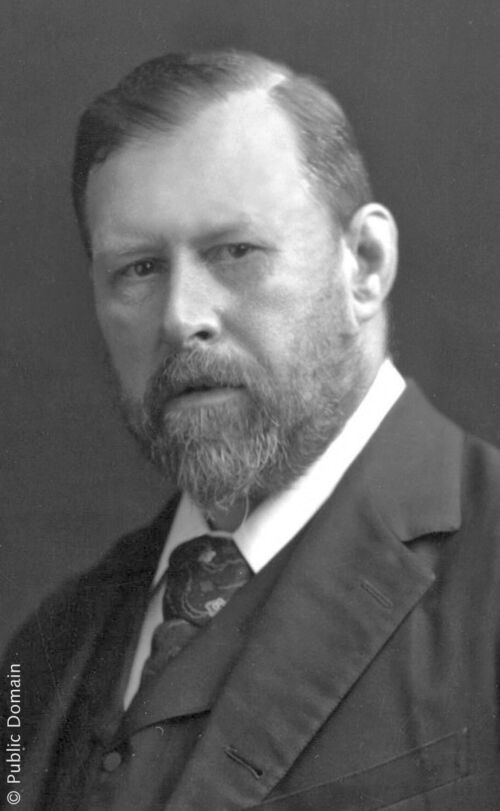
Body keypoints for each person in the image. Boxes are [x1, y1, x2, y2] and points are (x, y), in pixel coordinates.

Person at [2, 49, 500, 811]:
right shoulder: (53, 641)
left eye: (235, 251)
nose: (181, 318)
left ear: (365, 264)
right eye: (139, 268)